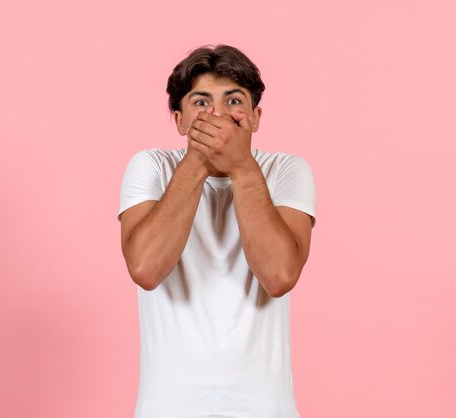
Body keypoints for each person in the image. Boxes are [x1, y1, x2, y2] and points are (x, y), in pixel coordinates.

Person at [118, 44, 316, 418]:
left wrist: (241, 168)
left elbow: (278, 276)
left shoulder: (287, 171)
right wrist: (198, 159)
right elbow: (145, 269)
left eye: (233, 101)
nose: (218, 116)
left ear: (256, 117)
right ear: (179, 120)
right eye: (201, 103)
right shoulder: (151, 167)